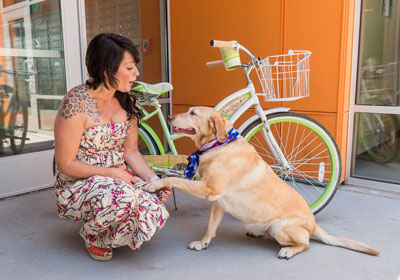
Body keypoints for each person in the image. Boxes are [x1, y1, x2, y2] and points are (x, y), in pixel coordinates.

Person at [54, 33, 171, 261]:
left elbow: (132, 152)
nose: (136, 73)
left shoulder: (128, 100)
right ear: (107, 70)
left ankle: (108, 226)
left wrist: (154, 181)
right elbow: (65, 164)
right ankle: (92, 235)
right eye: (129, 68)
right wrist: (112, 173)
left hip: (118, 179)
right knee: (125, 198)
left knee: (154, 208)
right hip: (79, 183)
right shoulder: (75, 103)